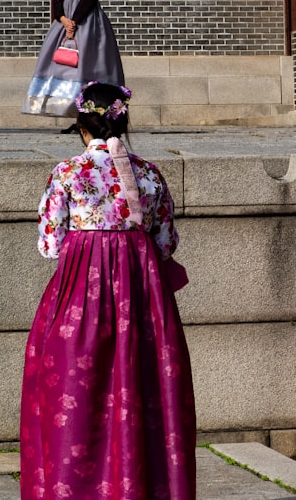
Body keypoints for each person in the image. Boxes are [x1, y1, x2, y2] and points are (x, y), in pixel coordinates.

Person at [19, 82, 196, 499]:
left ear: (82, 127)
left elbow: (49, 245)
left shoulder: (68, 173)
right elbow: (167, 242)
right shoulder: (150, 173)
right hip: (143, 298)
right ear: (124, 120)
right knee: (145, 389)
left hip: (80, 294)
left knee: (74, 392)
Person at [22, 0, 124, 118]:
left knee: (87, 62)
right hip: (65, 20)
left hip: (87, 21)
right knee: (60, 63)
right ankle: (66, 108)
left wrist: (74, 22)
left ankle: (90, 110)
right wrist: (62, 19)